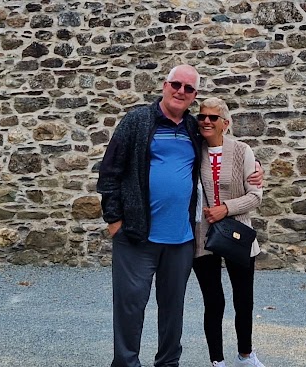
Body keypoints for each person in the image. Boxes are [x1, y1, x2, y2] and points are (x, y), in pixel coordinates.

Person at [97, 64, 262, 367]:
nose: (180, 91)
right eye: (176, 84)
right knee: (130, 306)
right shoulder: (137, 121)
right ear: (164, 85)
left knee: (172, 309)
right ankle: (126, 363)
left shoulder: (191, 128)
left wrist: (256, 168)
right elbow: (109, 172)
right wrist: (114, 222)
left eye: (188, 88)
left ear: (194, 95)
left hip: (182, 238)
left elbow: (221, 150)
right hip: (137, 235)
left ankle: (168, 363)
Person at [193, 98, 266, 367]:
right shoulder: (192, 150)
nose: (207, 122)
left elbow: (256, 195)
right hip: (202, 236)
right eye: (202, 117)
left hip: (238, 233)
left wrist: (226, 208)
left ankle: (245, 355)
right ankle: (217, 361)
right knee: (213, 301)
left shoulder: (242, 150)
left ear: (226, 123)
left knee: (243, 298)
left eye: (213, 117)